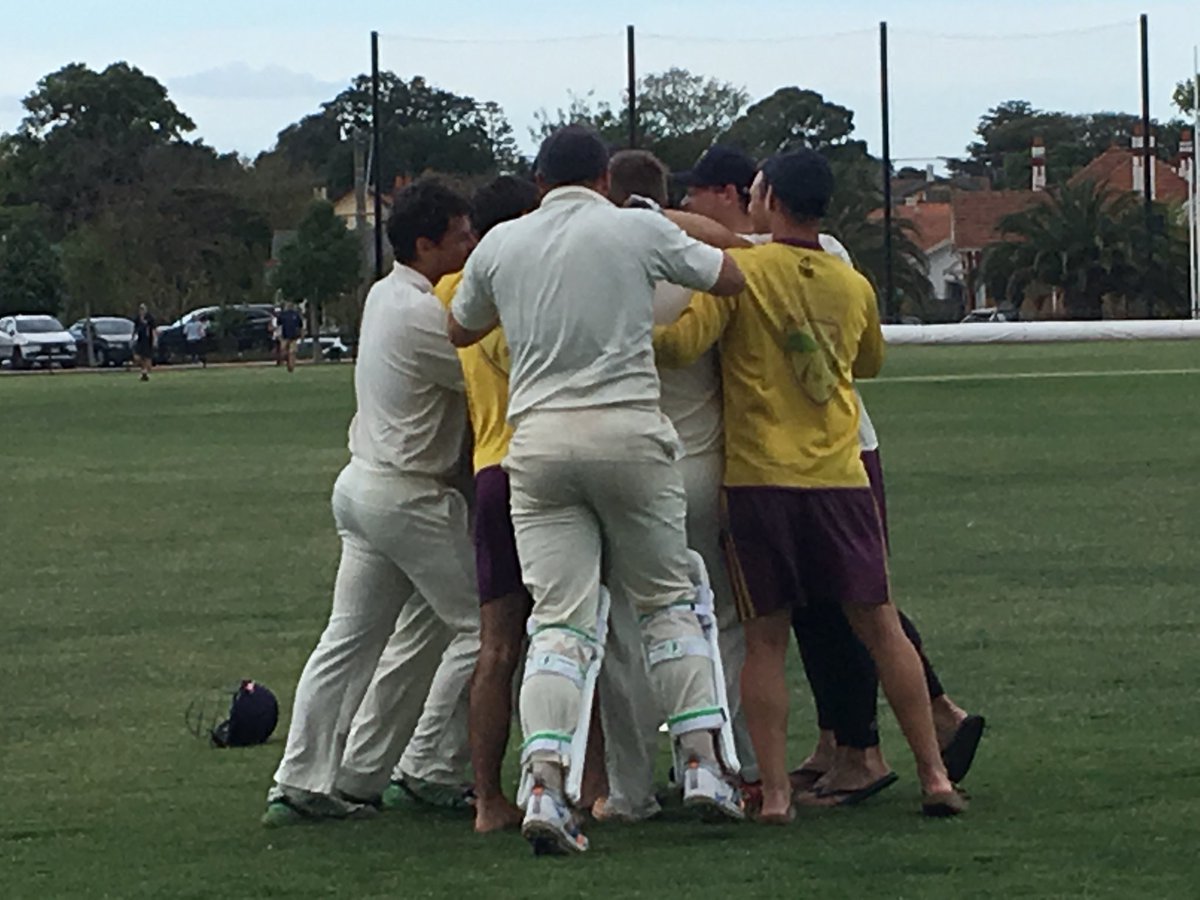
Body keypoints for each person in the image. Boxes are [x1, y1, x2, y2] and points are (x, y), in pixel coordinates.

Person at [448, 125, 747, 855]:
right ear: (605, 180)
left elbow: (460, 328)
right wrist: (654, 229)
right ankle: (704, 764)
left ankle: (546, 781)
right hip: (629, 434)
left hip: (539, 444)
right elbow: (731, 275)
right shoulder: (633, 228)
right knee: (667, 603)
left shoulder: (502, 244)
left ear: (540, 179)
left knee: (559, 624)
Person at [654, 149, 966, 821]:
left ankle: (775, 795)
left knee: (765, 639)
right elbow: (869, 362)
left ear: (764, 197)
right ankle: (936, 776)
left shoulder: (742, 276)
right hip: (840, 478)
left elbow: (678, 347)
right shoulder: (851, 283)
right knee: (881, 627)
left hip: (761, 479)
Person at [262, 178, 481, 826]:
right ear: (425, 244)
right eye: (462, 236)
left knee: (355, 642)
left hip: (363, 487)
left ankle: (318, 778)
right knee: (485, 629)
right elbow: (489, 373)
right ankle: (430, 767)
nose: (472, 244)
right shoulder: (421, 316)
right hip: (407, 494)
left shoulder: (385, 295)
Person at [603, 151, 762, 799]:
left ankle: (632, 779)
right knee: (718, 618)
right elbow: (746, 258)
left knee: (629, 625)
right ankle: (727, 759)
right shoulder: (695, 263)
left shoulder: (605, 266)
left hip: (627, 458)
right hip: (699, 459)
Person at [277, 302, 304, 373]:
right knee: (284, 352)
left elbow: (300, 327)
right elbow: (279, 325)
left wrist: (301, 336)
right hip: (285, 337)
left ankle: (291, 367)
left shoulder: (296, 315)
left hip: (293, 337)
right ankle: (287, 360)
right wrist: (279, 335)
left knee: (292, 352)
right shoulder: (282, 315)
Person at [133, 304, 155, 382]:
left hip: (148, 340)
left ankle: (146, 373)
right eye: (140, 309)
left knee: (147, 357)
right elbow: (135, 329)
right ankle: (144, 370)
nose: (141, 311)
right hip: (140, 340)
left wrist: (154, 340)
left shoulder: (150, 318)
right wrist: (133, 338)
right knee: (137, 357)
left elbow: (153, 329)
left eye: (143, 309)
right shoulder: (137, 318)